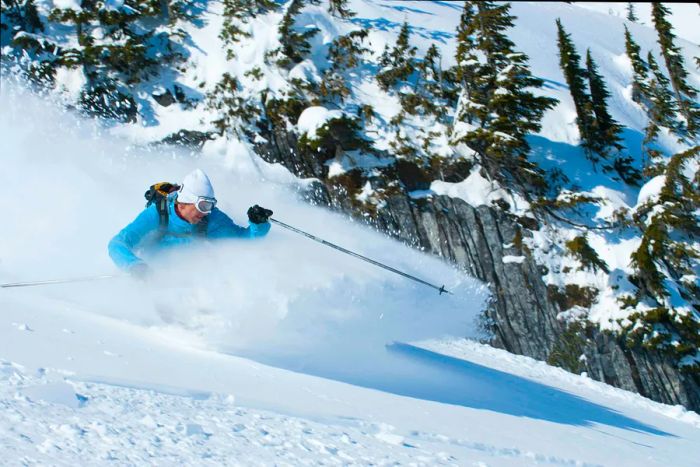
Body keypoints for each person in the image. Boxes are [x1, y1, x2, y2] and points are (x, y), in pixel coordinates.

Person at [108, 169, 272, 279]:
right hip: (149, 275)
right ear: (184, 202)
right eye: (203, 206)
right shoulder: (158, 214)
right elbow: (117, 243)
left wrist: (258, 223)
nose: (207, 212)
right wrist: (134, 266)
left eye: (210, 205)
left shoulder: (210, 219)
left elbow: (245, 240)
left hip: (186, 279)